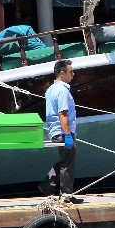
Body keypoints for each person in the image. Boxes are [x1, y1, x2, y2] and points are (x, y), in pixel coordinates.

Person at [39, 59, 82, 203]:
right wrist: (68, 135)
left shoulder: (50, 89)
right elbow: (62, 114)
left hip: (54, 131)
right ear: (62, 73)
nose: (73, 74)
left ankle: (47, 185)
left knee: (65, 161)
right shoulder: (62, 91)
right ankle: (66, 195)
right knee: (68, 163)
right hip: (63, 131)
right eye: (71, 72)